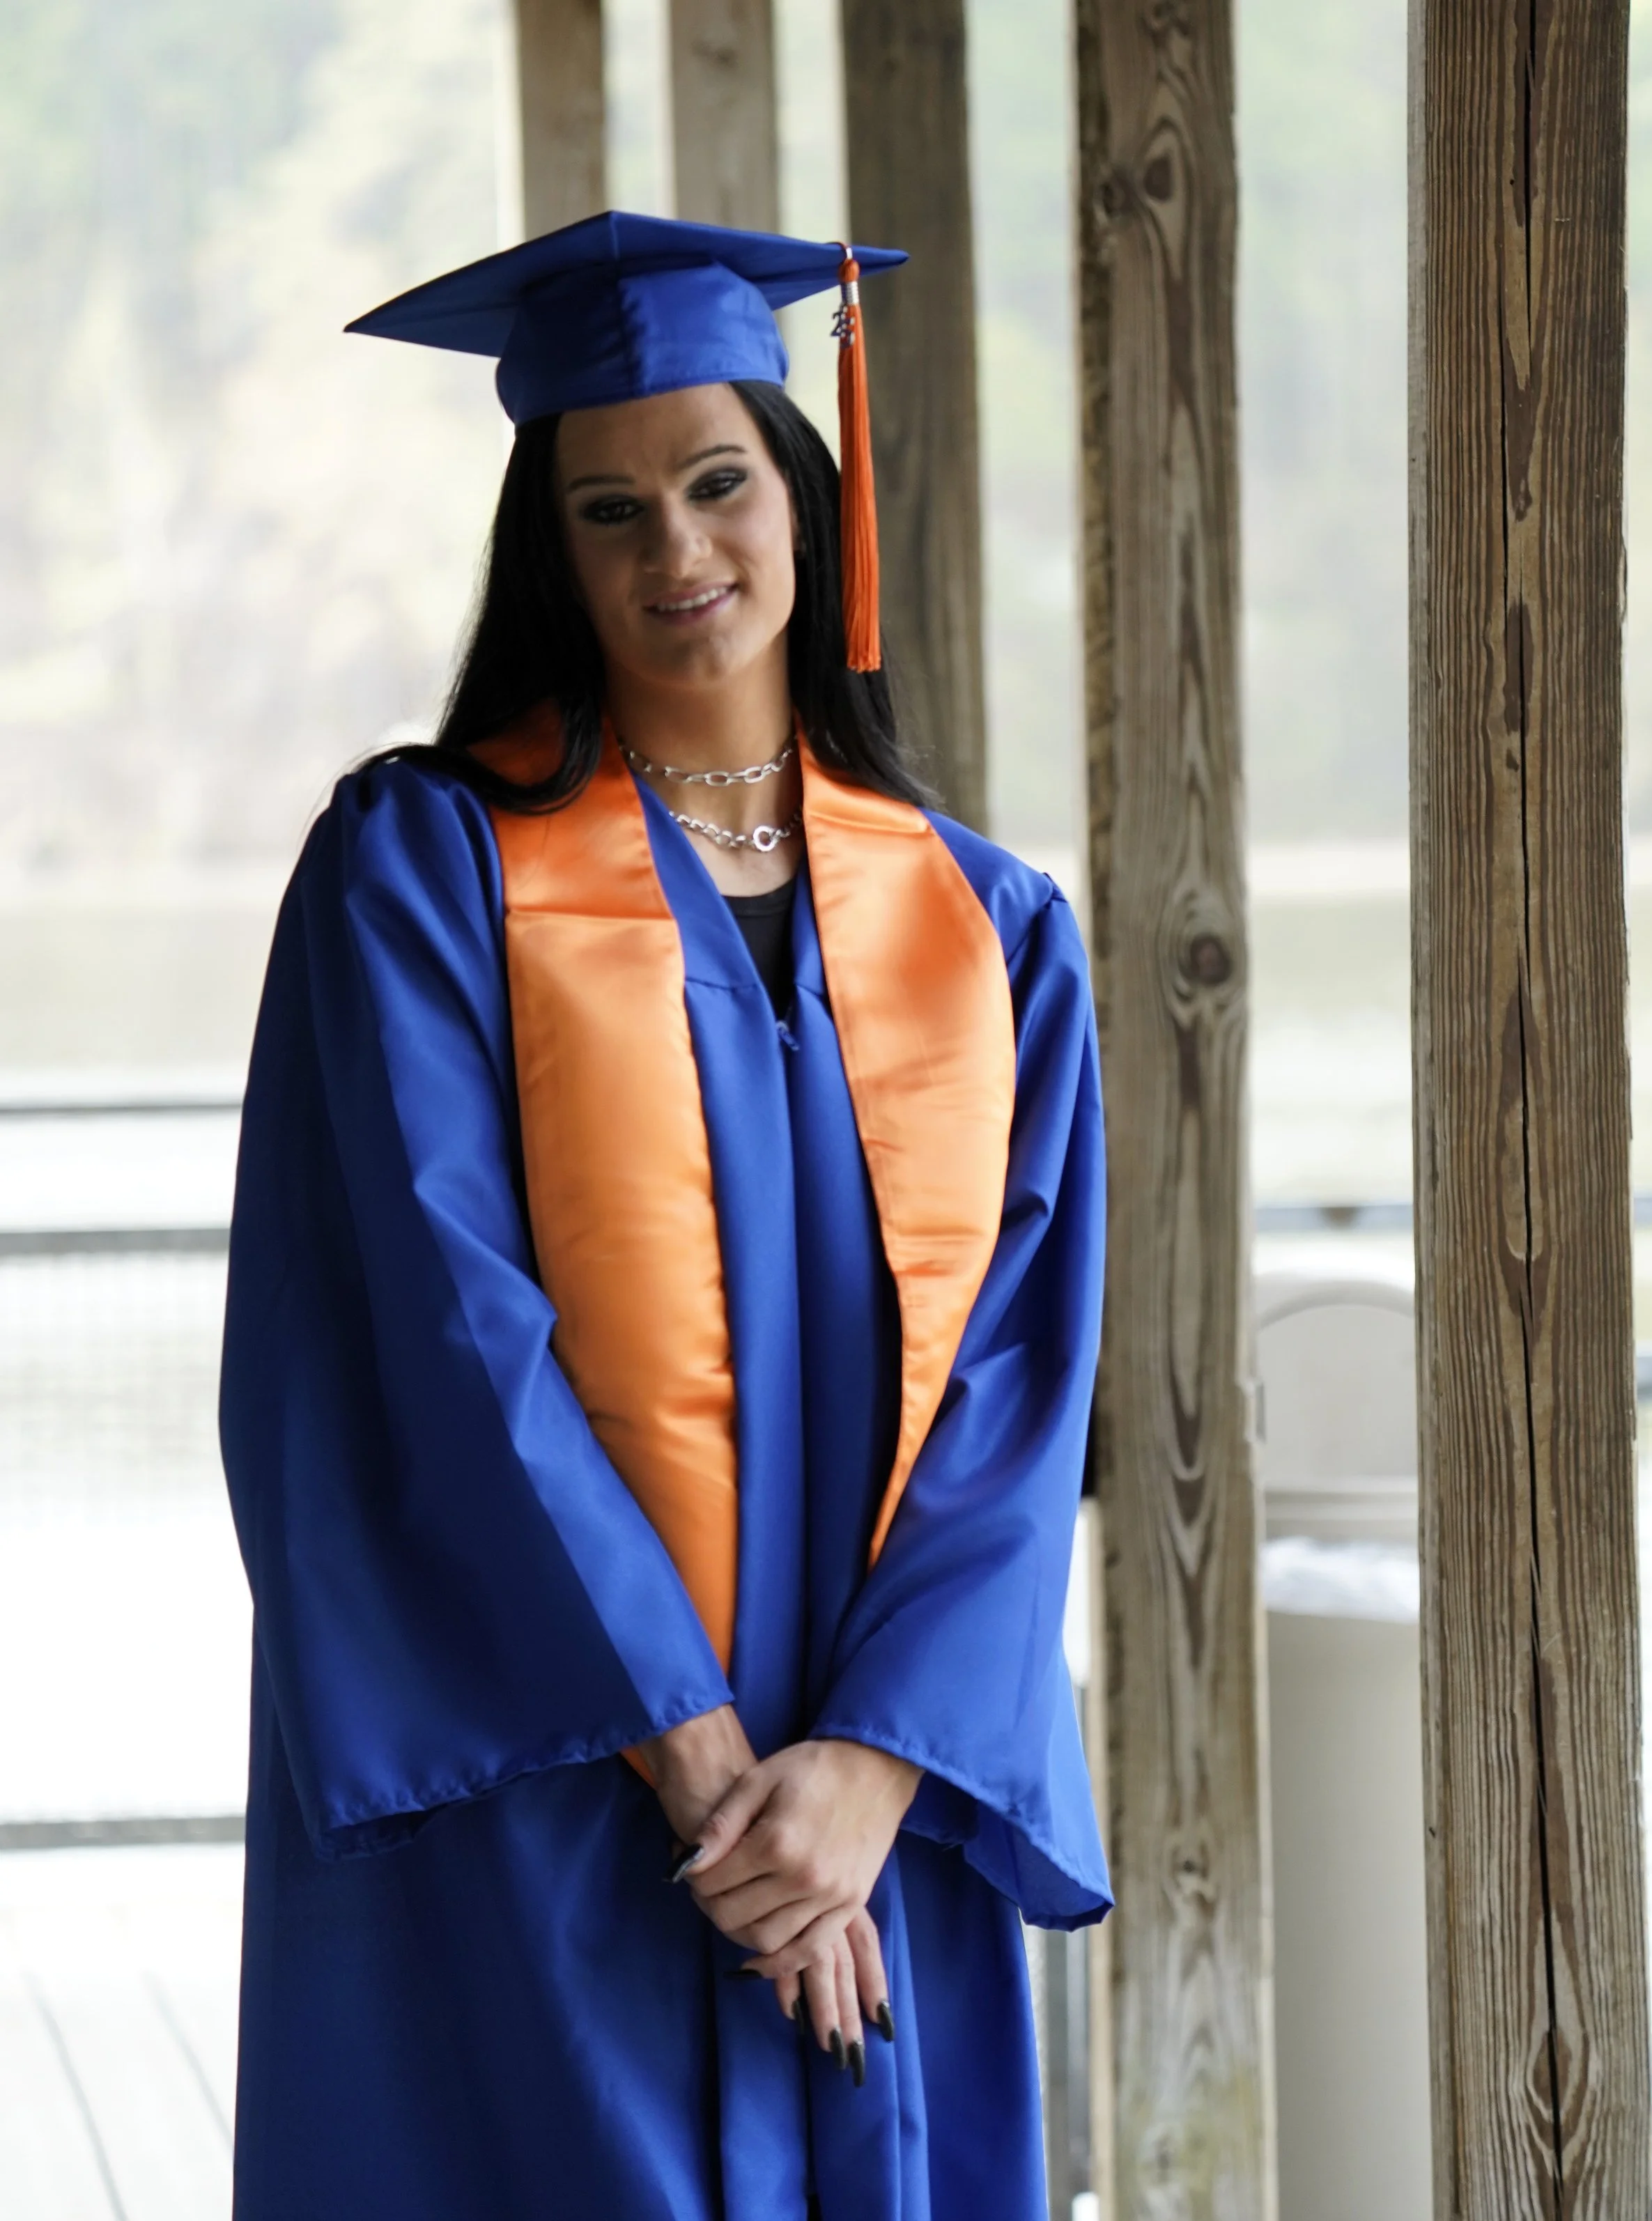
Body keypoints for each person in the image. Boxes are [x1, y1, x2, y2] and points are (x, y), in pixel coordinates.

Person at [219, 210, 1109, 2221]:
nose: (676, 551)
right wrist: (713, 1790)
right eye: (608, 508)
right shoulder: (425, 872)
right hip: (558, 1773)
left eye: (717, 481)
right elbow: (447, 1346)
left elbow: (1019, 1390)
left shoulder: (987, 926)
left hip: (877, 1820)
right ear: (551, 548)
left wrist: (868, 1778)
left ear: (803, 495)